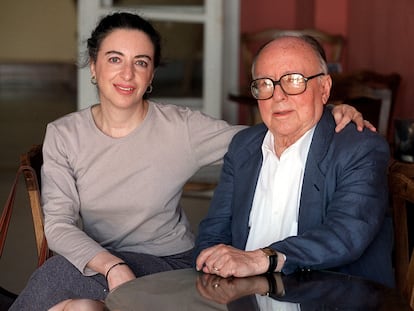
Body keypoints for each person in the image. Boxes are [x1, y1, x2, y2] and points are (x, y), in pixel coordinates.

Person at [9, 12, 373, 311]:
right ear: (93, 65)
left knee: (58, 281)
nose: (127, 74)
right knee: (73, 302)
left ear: (152, 74)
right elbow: (57, 226)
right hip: (100, 261)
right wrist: (112, 265)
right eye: (114, 59)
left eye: (141, 62)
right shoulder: (63, 133)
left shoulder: (180, 128)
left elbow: (271, 133)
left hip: (166, 263)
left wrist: (327, 111)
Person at [194, 34, 394, 288]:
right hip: (244, 297)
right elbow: (214, 230)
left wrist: (262, 259)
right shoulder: (244, 146)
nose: (278, 96)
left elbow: (345, 235)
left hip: (331, 299)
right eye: (265, 83)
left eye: (294, 81)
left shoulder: (359, 148)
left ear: (324, 89)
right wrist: (214, 264)